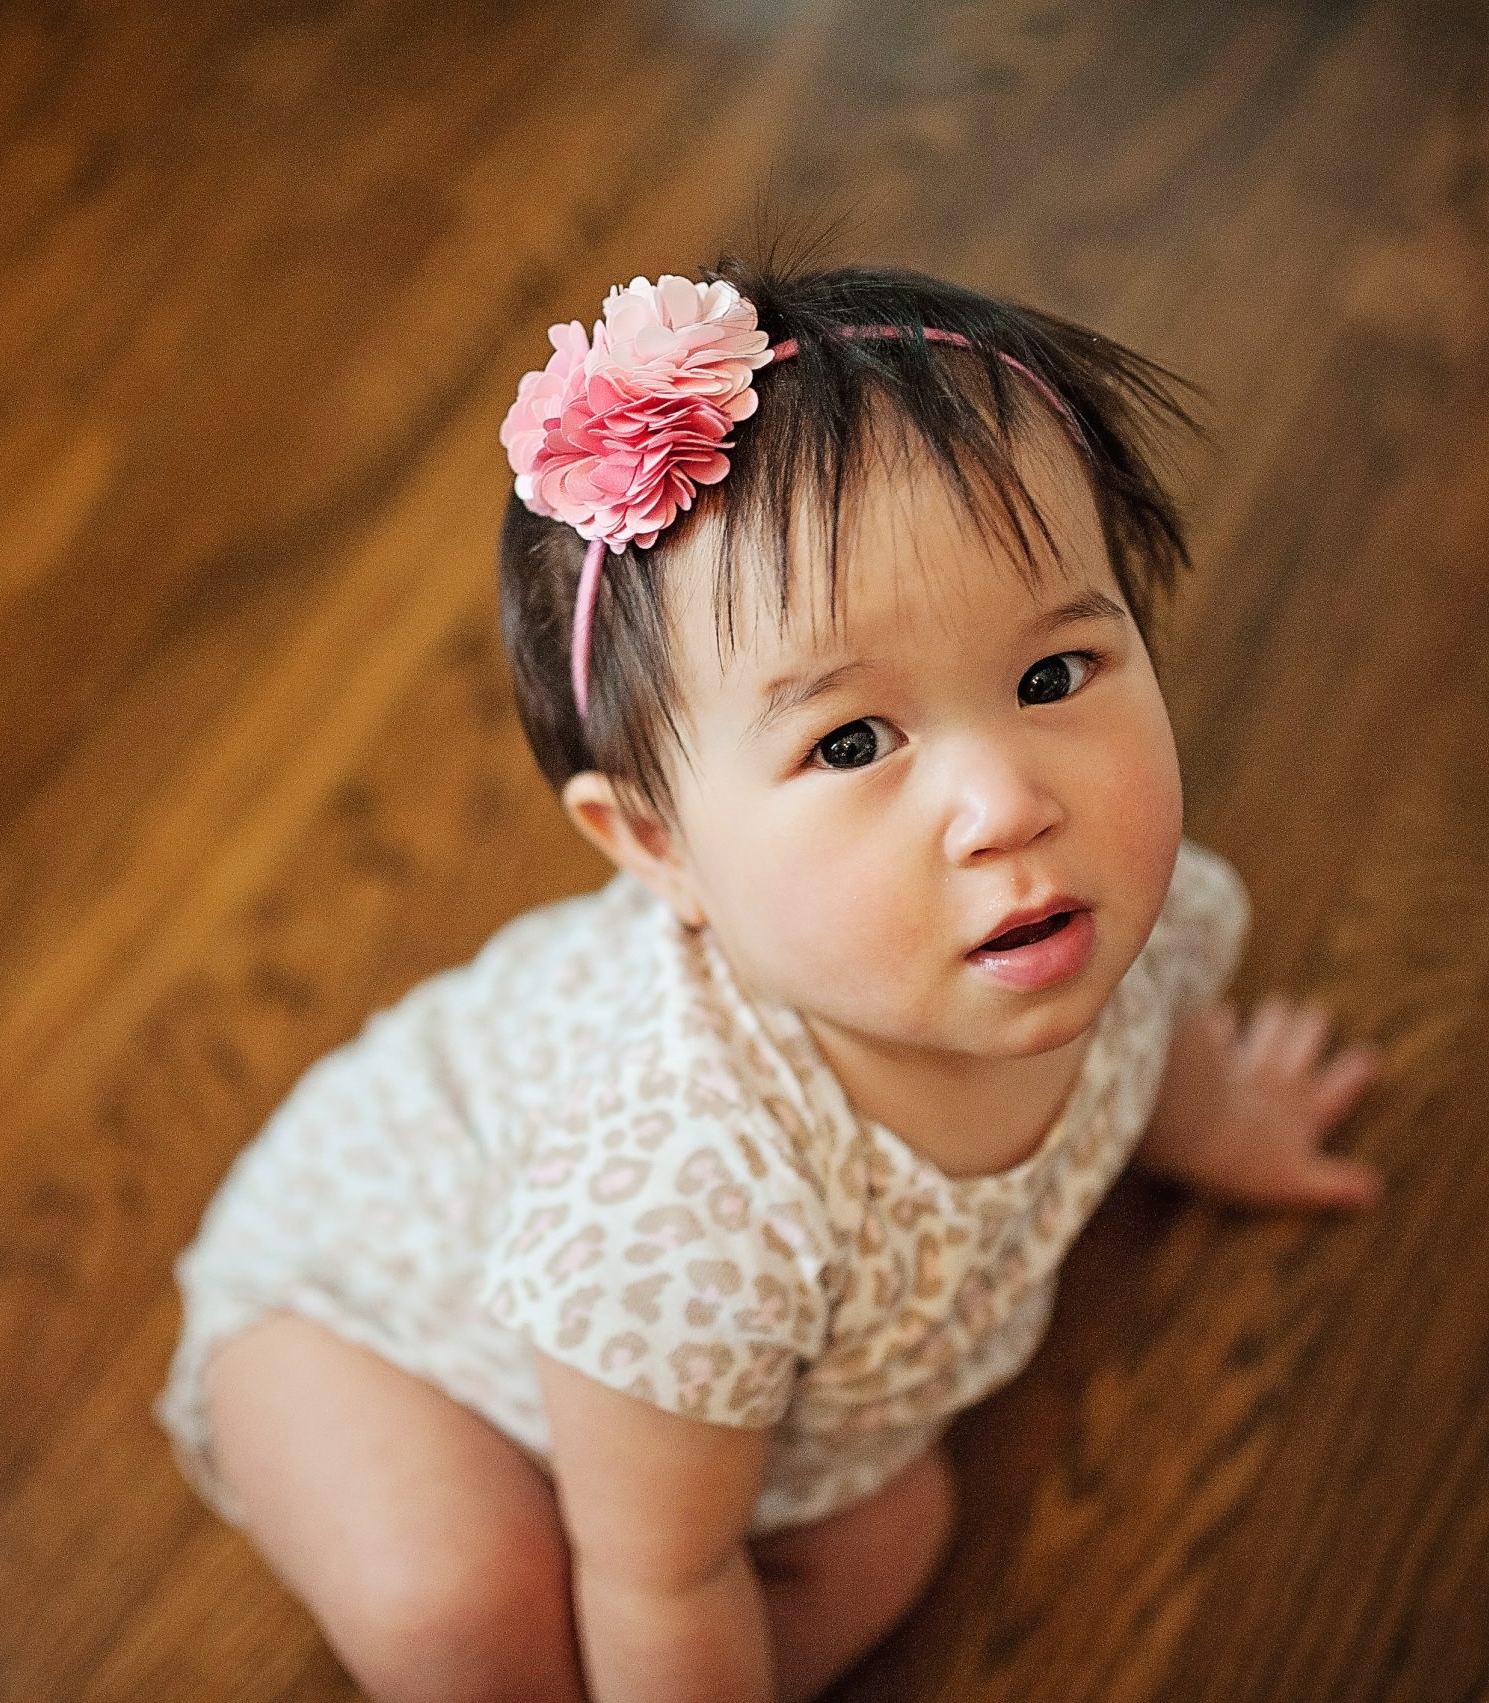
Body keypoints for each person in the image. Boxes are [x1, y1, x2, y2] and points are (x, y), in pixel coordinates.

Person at [155, 255, 1386, 1703]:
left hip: (706, 1387)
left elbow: (1158, 1020)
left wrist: (1218, 1122)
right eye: (853, 744)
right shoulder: (686, 1192)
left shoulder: (1112, 910)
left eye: (1054, 676)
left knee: (895, 1530)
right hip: (376, 1320)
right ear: (658, 845)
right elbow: (659, 1574)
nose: (1007, 805)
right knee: (466, 1620)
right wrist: (658, 1598)